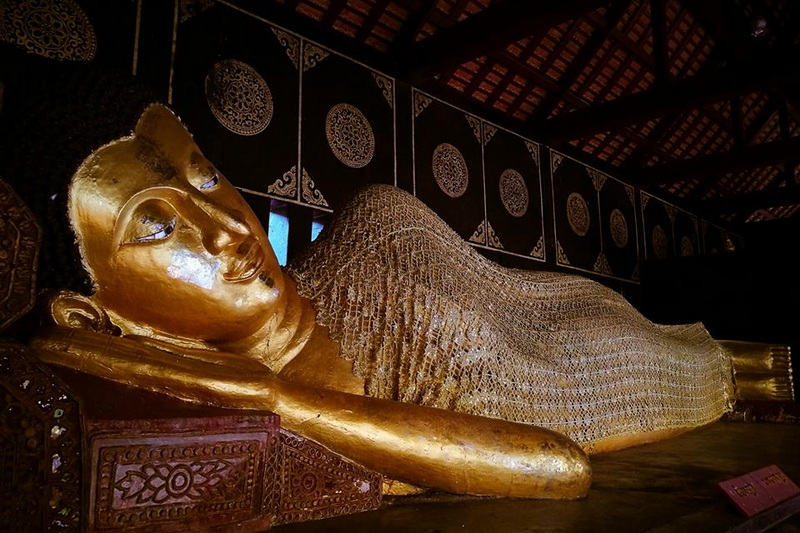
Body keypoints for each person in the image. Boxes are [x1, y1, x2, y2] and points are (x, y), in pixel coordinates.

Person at [1, 58, 743, 500]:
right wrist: (269, 397)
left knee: (709, 356)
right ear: (99, 318)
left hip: (565, 318)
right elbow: (556, 463)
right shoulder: (285, 401)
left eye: (206, 176)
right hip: (579, 386)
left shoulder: (362, 242)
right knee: (719, 370)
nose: (227, 229)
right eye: (157, 226)